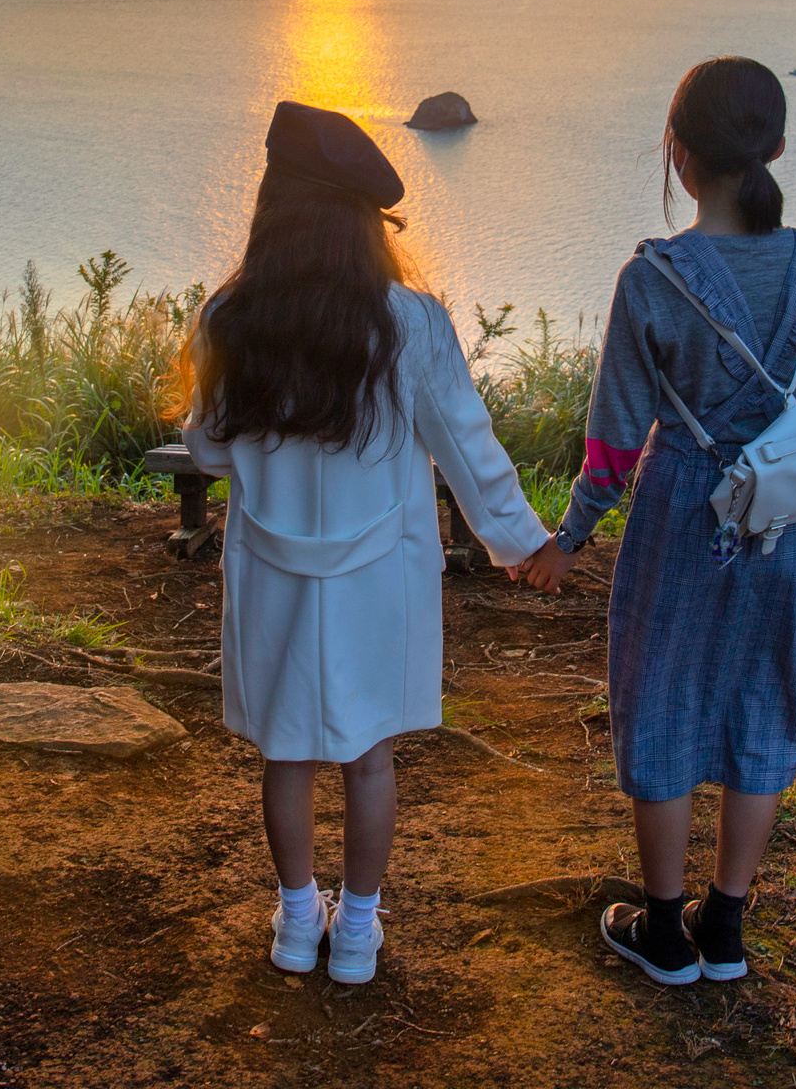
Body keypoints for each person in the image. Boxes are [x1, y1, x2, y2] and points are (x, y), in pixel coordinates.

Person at [182, 100, 549, 986]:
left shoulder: (229, 315)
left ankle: (295, 918)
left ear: (275, 205)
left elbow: (207, 448)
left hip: (272, 567)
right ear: (362, 219)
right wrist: (523, 542)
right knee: (370, 754)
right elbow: (467, 444)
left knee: (287, 751)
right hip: (378, 572)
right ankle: (357, 932)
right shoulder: (410, 322)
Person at [514, 56, 796, 987]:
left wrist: (570, 538)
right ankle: (728, 928)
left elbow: (616, 441)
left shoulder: (654, 278)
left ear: (678, 150)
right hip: (786, 522)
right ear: (774, 148)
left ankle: (664, 933)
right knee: (765, 700)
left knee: (659, 701)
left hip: (681, 514)